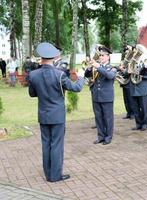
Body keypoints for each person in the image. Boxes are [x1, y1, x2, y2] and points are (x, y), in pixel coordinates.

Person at [28, 42, 85, 182]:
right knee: (56, 144)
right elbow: (76, 88)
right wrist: (82, 76)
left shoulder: (33, 74)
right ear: (54, 57)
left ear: (41, 57)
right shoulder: (59, 74)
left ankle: (48, 174)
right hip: (57, 115)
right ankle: (55, 175)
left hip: (43, 114)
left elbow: (32, 94)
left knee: (46, 143)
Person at [85, 45, 117, 145]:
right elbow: (87, 75)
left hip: (106, 97)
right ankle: (101, 136)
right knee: (98, 117)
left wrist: (98, 67)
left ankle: (108, 136)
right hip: (96, 95)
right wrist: (90, 68)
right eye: (100, 56)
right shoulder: (96, 67)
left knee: (108, 118)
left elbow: (109, 76)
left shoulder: (111, 68)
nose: (101, 57)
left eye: (103, 56)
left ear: (108, 57)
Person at [130, 57, 147, 131]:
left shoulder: (145, 63)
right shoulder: (131, 63)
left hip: (142, 89)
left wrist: (140, 75)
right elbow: (126, 74)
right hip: (133, 89)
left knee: (144, 108)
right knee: (135, 108)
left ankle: (144, 124)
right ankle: (138, 124)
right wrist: (127, 71)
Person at [119, 46, 134, 120]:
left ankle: (132, 114)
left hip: (129, 82)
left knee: (130, 99)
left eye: (128, 53)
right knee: (126, 99)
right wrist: (120, 68)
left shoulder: (132, 61)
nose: (126, 54)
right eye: (125, 53)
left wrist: (123, 70)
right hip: (124, 82)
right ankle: (128, 112)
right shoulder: (124, 62)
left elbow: (129, 72)